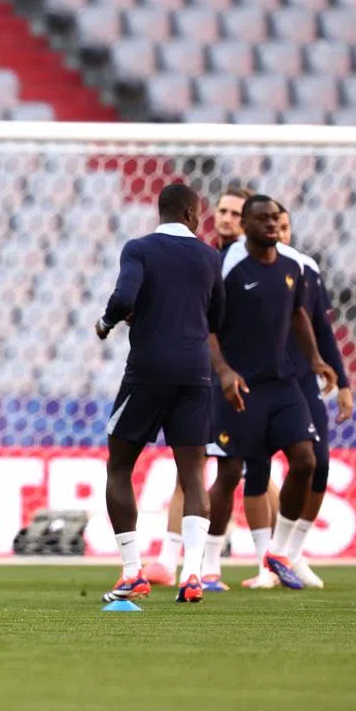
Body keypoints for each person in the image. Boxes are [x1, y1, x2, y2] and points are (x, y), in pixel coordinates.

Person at [202, 195, 338, 592]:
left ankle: (278, 552)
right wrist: (224, 371)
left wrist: (315, 359)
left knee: (306, 460)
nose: (272, 225)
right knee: (228, 473)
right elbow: (207, 325)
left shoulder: (293, 265)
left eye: (276, 219)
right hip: (237, 385)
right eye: (262, 219)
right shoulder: (225, 265)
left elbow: (299, 314)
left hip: (281, 384)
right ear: (245, 224)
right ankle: (209, 566)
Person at [96, 183, 221, 604]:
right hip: (196, 374)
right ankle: (192, 576)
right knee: (193, 475)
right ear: (191, 212)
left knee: (119, 465)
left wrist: (108, 322)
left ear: (163, 210)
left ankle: (133, 572)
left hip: (149, 371)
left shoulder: (139, 249)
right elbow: (216, 315)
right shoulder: (210, 256)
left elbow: (124, 296)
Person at [230, 204, 354, 590]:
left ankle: (292, 553)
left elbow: (317, 325)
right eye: (273, 225)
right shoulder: (237, 264)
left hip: (299, 379)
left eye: (284, 226)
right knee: (257, 467)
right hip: (258, 378)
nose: (279, 232)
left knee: (316, 462)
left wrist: (342, 380)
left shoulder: (302, 267)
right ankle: (266, 564)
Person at [145, 185, 252, 588]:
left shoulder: (248, 265)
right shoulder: (206, 257)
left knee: (237, 469)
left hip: (242, 378)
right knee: (190, 466)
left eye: (235, 214)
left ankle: (239, 557)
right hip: (204, 374)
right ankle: (172, 559)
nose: (226, 218)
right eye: (222, 210)